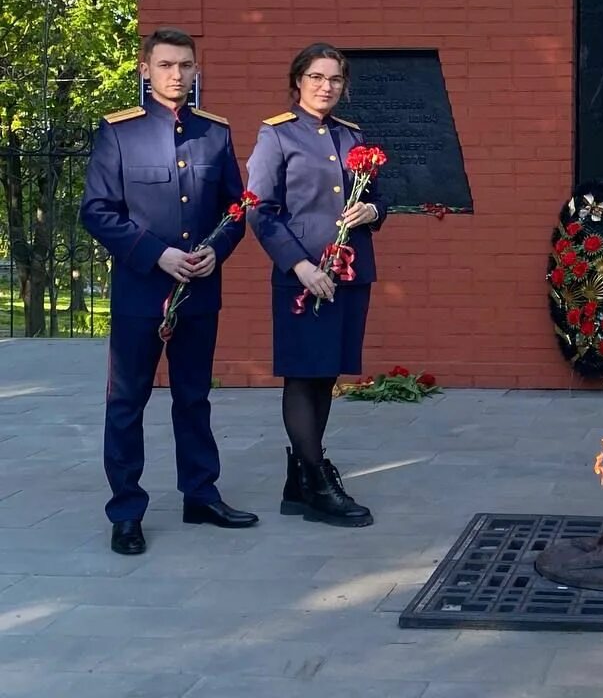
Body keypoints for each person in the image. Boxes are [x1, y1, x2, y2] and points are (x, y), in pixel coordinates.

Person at [80, 27, 259, 556]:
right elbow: (97, 211)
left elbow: (235, 209)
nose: (176, 74)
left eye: (184, 65)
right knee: (127, 401)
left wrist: (216, 250)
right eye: (165, 65)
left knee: (194, 397)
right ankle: (126, 512)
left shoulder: (215, 133)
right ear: (145, 70)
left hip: (200, 292)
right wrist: (155, 253)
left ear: (196, 70)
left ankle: (200, 494)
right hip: (141, 291)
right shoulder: (120, 133)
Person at [246, 42, 384, 527]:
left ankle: (298, 479)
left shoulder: (352, 136)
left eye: (335, 80)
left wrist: (372, 210)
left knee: (326, 372)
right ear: (298, 81)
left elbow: (378, 198)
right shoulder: (276, 136)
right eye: (317, 77)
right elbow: (259, 209)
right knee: (304, 373)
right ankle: (317, 481)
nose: (326, 87)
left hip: (350, 271)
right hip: (303, 276)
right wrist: (299, 266)